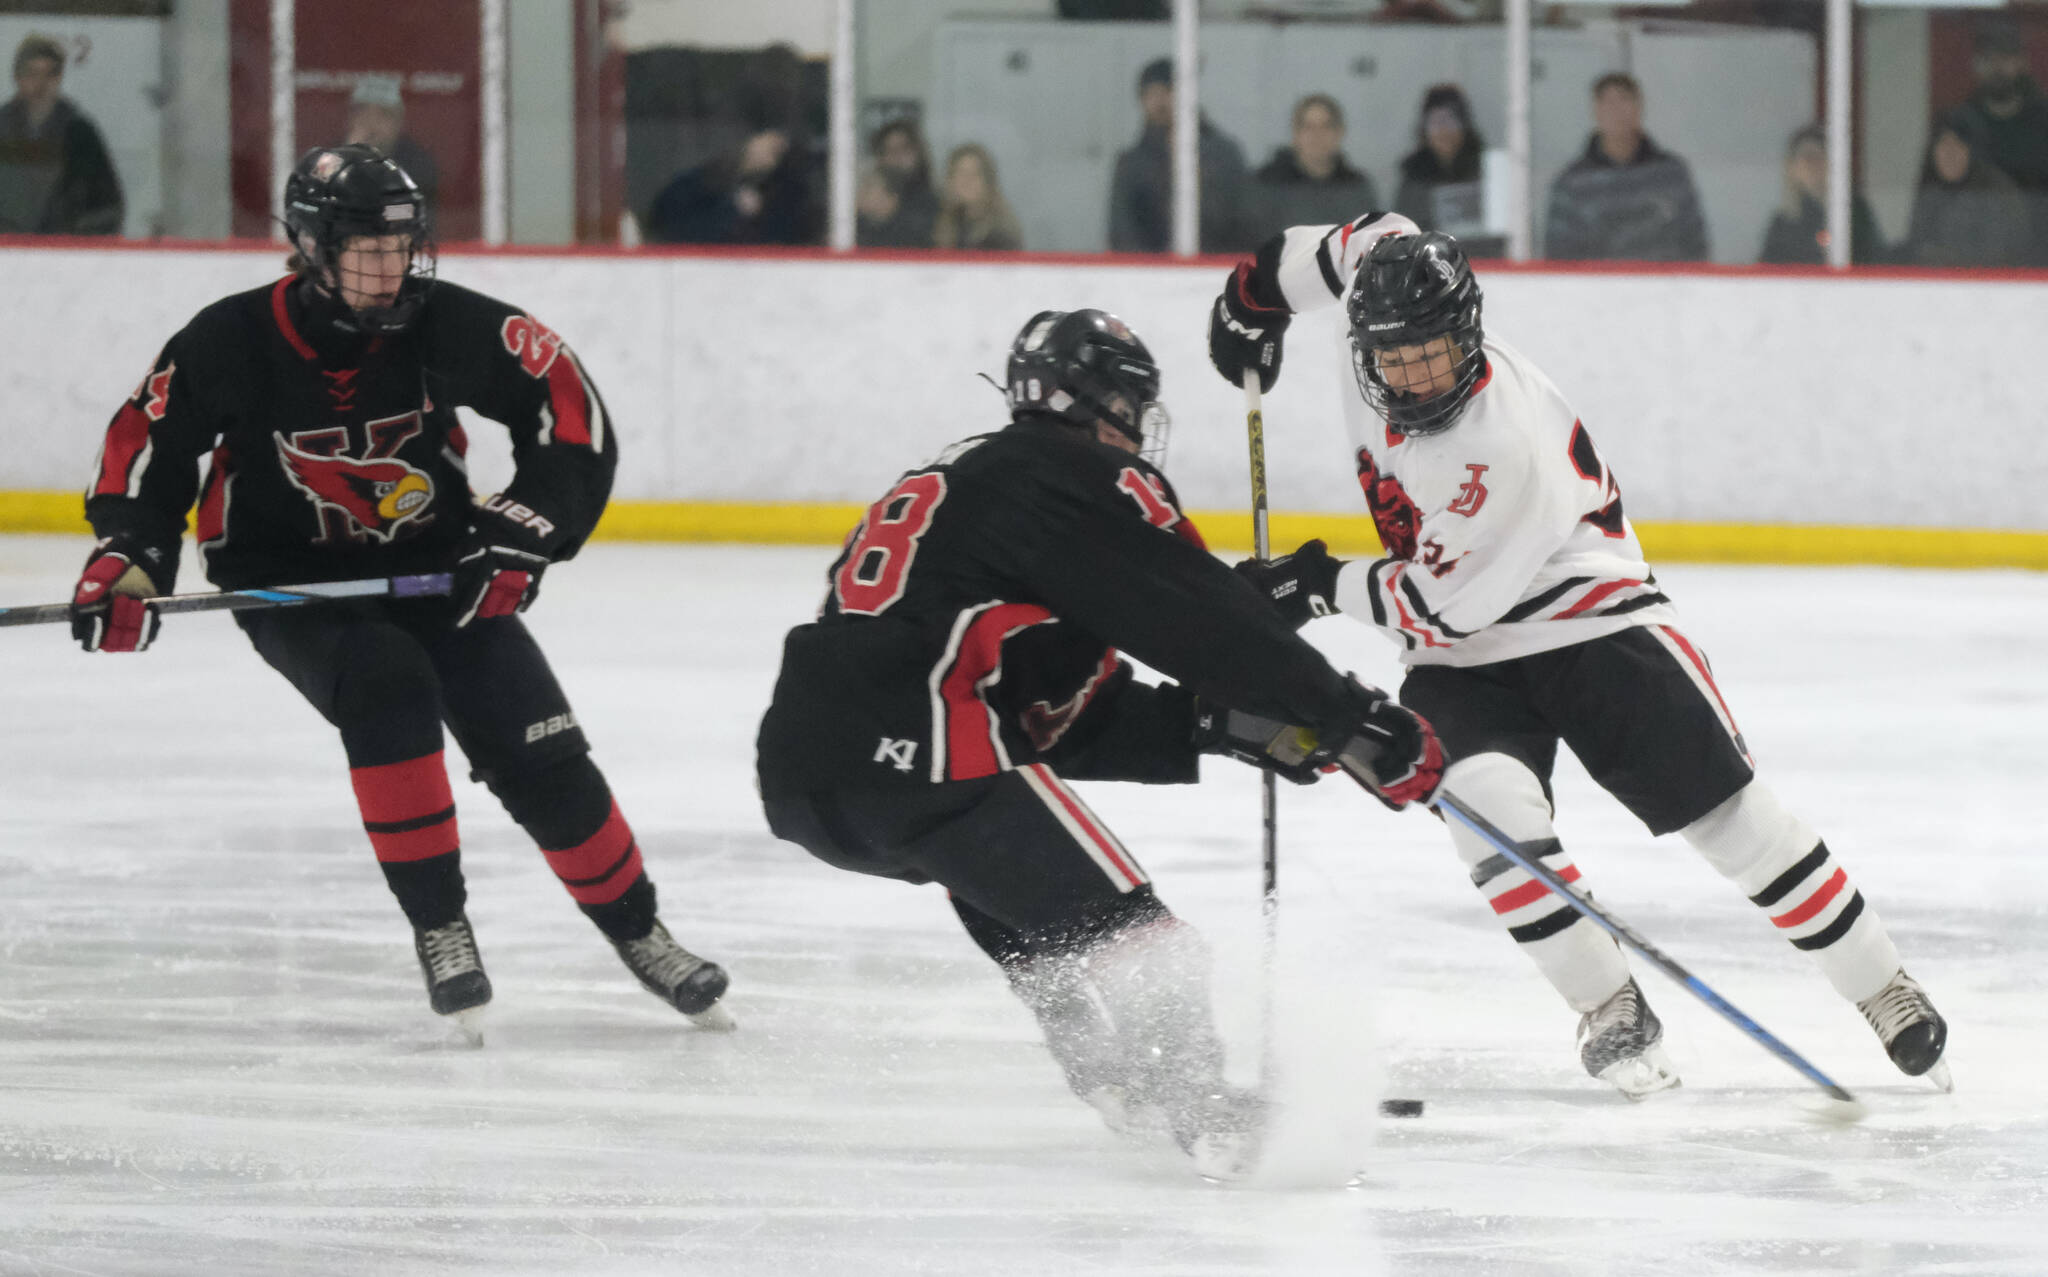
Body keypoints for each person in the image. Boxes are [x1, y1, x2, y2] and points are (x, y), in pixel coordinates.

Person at [1206, 218, 1949, 1098]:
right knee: (1484, 813)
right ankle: (1609, 1003)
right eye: (1393, 358)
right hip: (1464, 654)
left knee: (1730, 822)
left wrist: (1316, 581)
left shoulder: (1500, 447)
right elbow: (1351, 238)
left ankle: (1881, 985)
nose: (1410, 374)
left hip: (1590, 624)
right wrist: (1255, 295)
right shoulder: (1375, 303)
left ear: (1467, 335)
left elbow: (1439, 604)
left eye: (1432, 354)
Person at [755, 309, 1443, 1179]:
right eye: (1130, 405)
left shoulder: (978, 483)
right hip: (925, 754)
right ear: (1100, 400)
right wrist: (1348, 715)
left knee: (1043, 926)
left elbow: (1053, 712)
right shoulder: (1075, 474)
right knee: (1151, 950)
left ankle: (1120, 1081)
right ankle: (1212, 1120)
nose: (1136, 430)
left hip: (817, 779)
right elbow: (1195, 617)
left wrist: (1223, 726)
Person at [71, 145, 731, 1037]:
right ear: (309, 245)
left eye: (403, 245)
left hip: (437, 565)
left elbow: (566, 406)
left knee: (538, 742)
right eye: (366, 249)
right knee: (386, 685)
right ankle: (442, 926)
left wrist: (526, 528)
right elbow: (149, 453)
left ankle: (640, 931)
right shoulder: (229, 339)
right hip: (292, 584)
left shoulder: (438, 321)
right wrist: (131, 556)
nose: (393, 268)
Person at [1543, 72, 1708, 262]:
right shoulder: (1572, 183)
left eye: (1624, 100)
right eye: (1607, 102)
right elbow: (1558, 255)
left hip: (1662, 288)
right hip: (1595, 289)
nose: (1616, 111)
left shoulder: (1671, 174)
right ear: (1595, 111)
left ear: (1639, 108)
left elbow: (1695, 243)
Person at [1107, 57, 1250, 254]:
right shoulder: (1131, 163)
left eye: (1167, 91)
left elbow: (1241, 220)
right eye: (1150, 94)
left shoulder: (1223, 154)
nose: (1159, 102)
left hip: (1214, 267)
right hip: (1148, 273)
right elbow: (1123, 231)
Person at [0, 33, 123, 235]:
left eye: (50, 74)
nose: (41, 84)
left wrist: (75, 237)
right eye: (32, 74)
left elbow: (108, 207)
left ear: (59, 78)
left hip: (65, 255)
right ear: (17, 77)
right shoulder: (1, 131)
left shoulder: (81, 135)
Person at [1954, 19, 2048, 263]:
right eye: (1988, 58)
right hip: (1977, 260)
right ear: (1975, 64)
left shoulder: (2043, 124)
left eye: (2006, 57)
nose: (1997, 66)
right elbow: (1934, 201)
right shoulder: (1958, 126)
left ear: (2023, 62)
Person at [645, 121, 822, 245]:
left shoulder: (786, 196)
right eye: (766, 145)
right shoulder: (703, 181)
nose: (767, 156)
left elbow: (784, 238)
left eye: (777, 152)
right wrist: (732, 209)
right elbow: (671, 228)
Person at [1901, 111, 2031, 268]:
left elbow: (1996, 257)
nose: (1950, 153)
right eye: (1943, 144)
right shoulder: (1930, 191)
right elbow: (1916, 248)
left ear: (1974, 151)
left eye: (1959, 144)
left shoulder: (1996, 192)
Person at [1248, 93, 1379, 237]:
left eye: (1326, 126)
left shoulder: (1357, 189)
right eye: (1308, 127)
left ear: (1340, 132)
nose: (1317, 135)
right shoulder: (1267, 186)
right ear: (1295, 134)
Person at [1758, 125, 1886, 266]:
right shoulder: (1783, 225)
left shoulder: (1855, 213)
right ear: (1792, 168)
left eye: (1820, 156)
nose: (1813, 165)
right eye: (1806, 157)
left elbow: (1873, 260)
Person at [1393, 84, 1485, 236]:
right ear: (1424, 130)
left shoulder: (1484, 171)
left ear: (1465, 127)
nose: (1444, 132)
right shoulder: (1413, 178)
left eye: (1451, 122)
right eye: (1435, 123)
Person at [345, 74, 439, 213]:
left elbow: (413, 212)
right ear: (350, 119)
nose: (371, 122)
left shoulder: (418, 163)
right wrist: (351, 156)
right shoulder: (332, 157)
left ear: (399, 122)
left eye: (383, 114)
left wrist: (371, 214)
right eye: (362, 112)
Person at [856, 118, 939, 249]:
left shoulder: (936, 206)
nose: (896, 156)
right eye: (888, 150)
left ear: (918, 152)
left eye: (904, 148)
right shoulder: (863, 211)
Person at [934, 143, 1022, 251]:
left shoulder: (1002, 232)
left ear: (988, 181)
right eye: (960, 174)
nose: (967, 181)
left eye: (974, 174)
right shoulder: (941, 225)